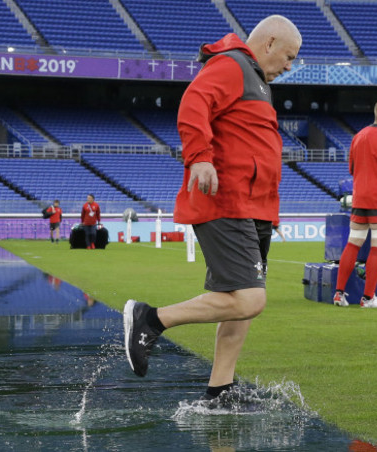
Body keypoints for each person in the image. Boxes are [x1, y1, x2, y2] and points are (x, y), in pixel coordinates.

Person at [123, 16, 301, 400]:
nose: (290, 66)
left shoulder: (256, 79)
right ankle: (150, 319)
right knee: (251, 299)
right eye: (289, 56)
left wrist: (270, 209)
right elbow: (194, 102)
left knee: (242, 303)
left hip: (254, 206)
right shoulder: (232, 64)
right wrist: (200, 157)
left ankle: (220, 388)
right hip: (228, 200)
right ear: (269, 43)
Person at [332, 99, 377, 308]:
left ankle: (339, 294)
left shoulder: (359, 136)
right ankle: (368, 297)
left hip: (360, 196)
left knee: (353, 243)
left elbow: (351, 168)